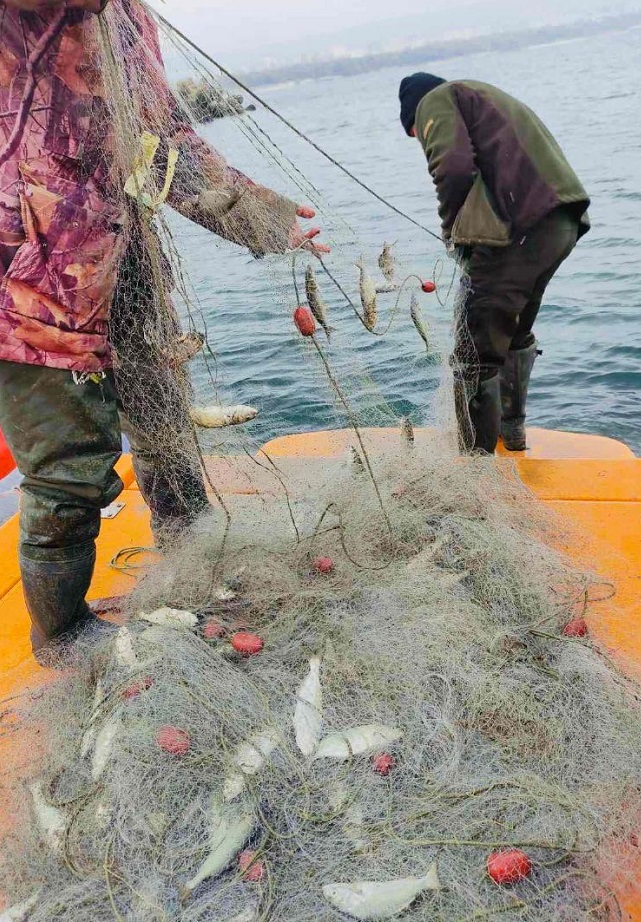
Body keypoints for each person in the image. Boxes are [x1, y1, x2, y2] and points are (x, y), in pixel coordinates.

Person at [0, 0, 328, 658]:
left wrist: (259, 217)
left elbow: (163, 142)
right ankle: (60, 634)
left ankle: (190, 562)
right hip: (25, 283)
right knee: (69, 470)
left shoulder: (127, 14)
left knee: (168, 430)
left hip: (128, 265)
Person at [398, 72, 590, 454]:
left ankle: (476, 472)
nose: (420, 140)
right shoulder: (483, 97)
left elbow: (452, 168)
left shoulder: (436, 98)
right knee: (513, 331)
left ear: (415, 116)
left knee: (473, 353)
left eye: (416, 134)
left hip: (517, 228)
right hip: (561, 222)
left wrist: (454, 231)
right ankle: (512, 434)